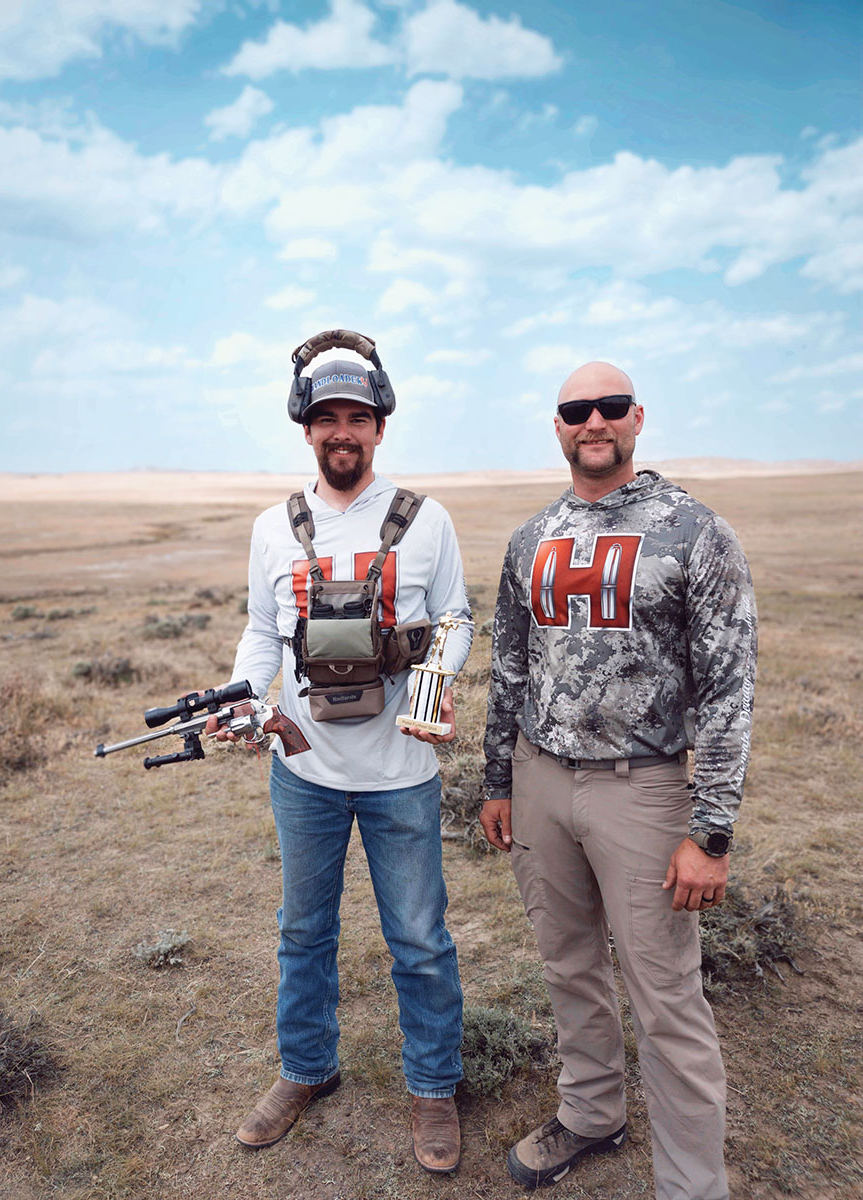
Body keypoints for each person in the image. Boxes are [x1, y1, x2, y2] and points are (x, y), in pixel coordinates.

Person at [480, 361, 756, 1198]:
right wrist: (496, 779)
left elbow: (728, 687)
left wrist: (709, 832)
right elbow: (509, 667)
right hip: (539, 780)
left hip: (643, 790)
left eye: (607, 407)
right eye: (574, 410)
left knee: (665, 996)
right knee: (567, 966)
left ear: (635, 417)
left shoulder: (692, 531)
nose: (590, 421)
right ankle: (591, 1113)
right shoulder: (531, 539)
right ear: (556, 426)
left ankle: (690, 1183)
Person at [212, 345, 472, 1174]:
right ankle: (305, 1072)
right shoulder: (271, 527)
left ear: (380, 426)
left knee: (420, 940)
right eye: (326, 418)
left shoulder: (425, 520)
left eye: (357, 418)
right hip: (305, 774)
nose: (342, 432)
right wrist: (243, 696)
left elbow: (457, 618)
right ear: (307, 429)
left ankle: (432, 1090)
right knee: (301, 932)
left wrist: (433, 682)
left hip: (402, 777)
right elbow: (261, 631)